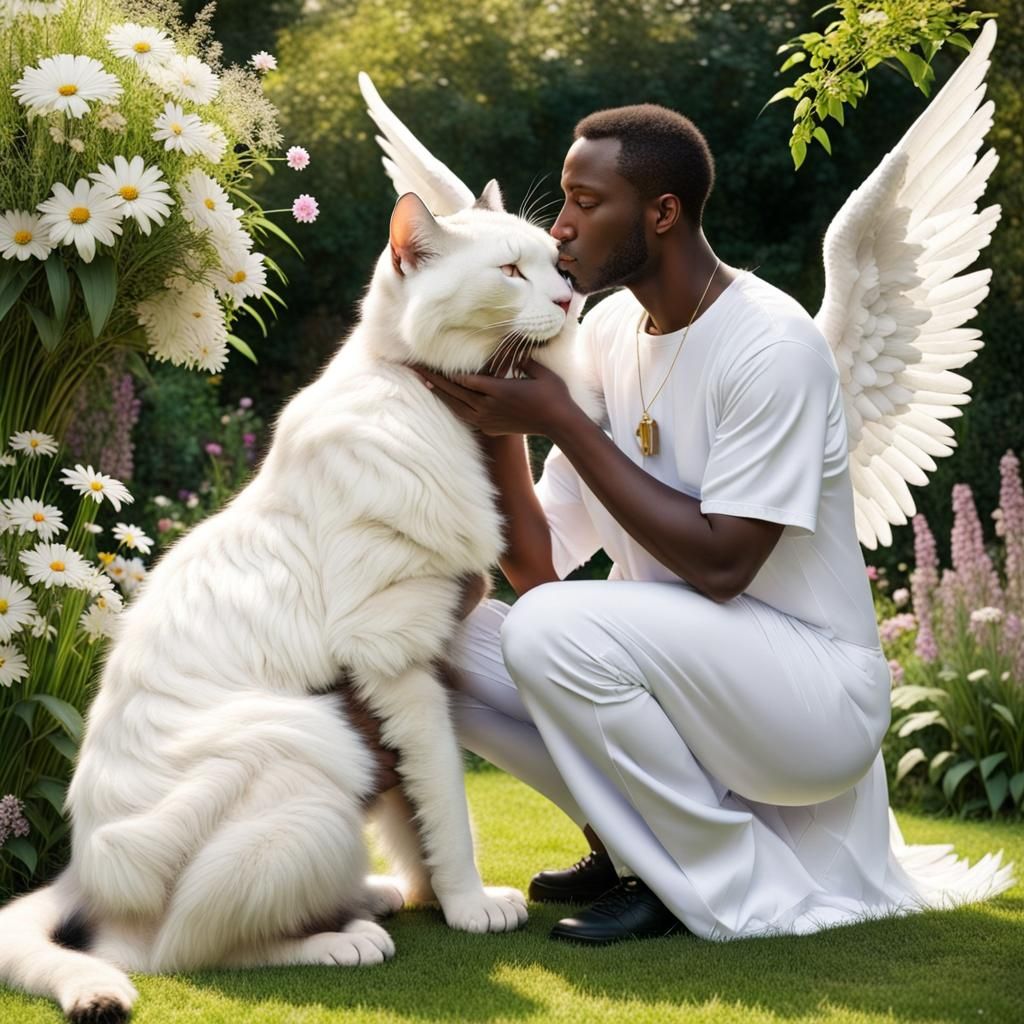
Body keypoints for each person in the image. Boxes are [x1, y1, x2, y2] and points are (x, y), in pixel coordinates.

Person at [413, 104, 901, 945]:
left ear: (662, 212)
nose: (560, 229)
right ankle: (625, 842)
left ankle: (699, 877)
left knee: (552, 627)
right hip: (694, 677)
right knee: (430, 643)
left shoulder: (772, 345)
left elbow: (723, 565)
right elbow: (539, 561)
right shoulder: (607, 331)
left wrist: (561, 421)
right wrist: (498, 418)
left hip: (815, 701)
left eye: (585, 202)